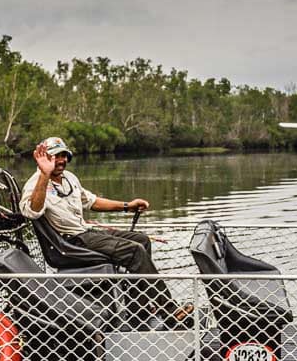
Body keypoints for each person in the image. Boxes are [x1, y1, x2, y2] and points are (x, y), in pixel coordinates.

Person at [19, 136, 193, 326]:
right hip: (70, 241)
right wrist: (44, 175)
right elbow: (32, 212)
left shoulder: (70, 178)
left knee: (142, 240)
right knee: (133, 251)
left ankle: (139, 310)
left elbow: (92, 201)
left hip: (86, 232)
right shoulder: (35, 183)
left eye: (64, 156)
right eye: (54, 157)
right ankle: (169, 309)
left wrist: (127, 206)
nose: (60, 161)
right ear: (44, 159)